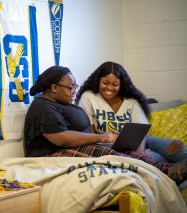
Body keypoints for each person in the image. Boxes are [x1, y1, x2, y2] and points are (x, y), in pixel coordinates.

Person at [24, 65, 187, 185]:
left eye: (75, 86)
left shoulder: (60, 102)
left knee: (138, 145)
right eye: (70, 87)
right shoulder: (43, 107)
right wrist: (100, 136)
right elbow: (61, 138)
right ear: (53, 87)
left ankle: (172, 167)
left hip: (81, 145)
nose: (74, 90)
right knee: (109, 153)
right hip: (56, 153)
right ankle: (167, 170)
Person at [75, 61, 187, 163]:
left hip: (139, 142)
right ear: (98, 81)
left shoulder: (131, 100)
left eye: (115, 84)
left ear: (121, 84)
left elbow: (140, 131)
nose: (109, 88)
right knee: (160, 159)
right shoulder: (89, 97)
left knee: (177, 147)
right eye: (105, 83)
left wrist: (140, 153)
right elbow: (89, 133)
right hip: (108, 147)